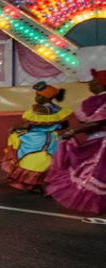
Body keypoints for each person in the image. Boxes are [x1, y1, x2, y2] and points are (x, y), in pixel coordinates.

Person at [45, 70, 106, 213]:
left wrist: (73, 132)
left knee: (92, 174)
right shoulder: (95, 100)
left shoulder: (98, 101)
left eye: (94, 82)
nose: (90, 84)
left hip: (101, 144)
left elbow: (95, 123)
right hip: (97, 139)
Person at [1, 82, 71, 192]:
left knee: (31, 159)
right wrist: (53, 127)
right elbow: (65, 124)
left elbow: (29, 125)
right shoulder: (56, 108)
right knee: (46, 161)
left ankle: (35, 184)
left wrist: (15, 127)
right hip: (51, 138)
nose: (36, 97)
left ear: (47, 97)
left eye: (39, 95)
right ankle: (43, 184)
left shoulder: (41, 109)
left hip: (38, 139)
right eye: (36, 95)